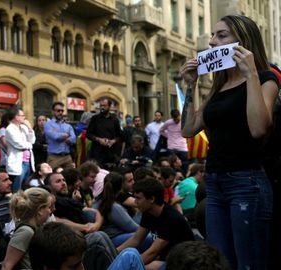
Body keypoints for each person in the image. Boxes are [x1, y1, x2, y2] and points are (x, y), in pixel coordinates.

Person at [180, 15, 278, 270]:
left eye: (221, 35)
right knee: (219, 263)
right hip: (214, 183)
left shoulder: (266, 79)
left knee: (249, 264)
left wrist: (251, 75)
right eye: (213, 35)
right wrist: (190, 86)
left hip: (246, 183)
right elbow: (189, 129)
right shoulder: (219, 84)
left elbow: (258, 128)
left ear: (243, 41)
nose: (212, 42)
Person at [116, 178, 194, 270]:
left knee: (148, 267)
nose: (135, 202)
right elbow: (136, 239)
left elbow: (152, 252)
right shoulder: (148, 212)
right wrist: (114, 254)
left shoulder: (172, 219)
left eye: (138, 198)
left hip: (184, 262)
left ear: (152, 199)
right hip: (165, 256)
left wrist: (124, 265)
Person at [2, 187, 54, 270]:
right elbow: (6, 265)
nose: (50, 211)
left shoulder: (36, 228)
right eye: (48, 207)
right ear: (40, 210)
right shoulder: (26, 231)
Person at [86, 98, 124, 168]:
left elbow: (120, 136)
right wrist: (98, 139)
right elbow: (88, 134)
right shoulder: (95, 118)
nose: (102, 107)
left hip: (111, 153)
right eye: (101, 105)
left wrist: (113, 141)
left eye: (104, 106)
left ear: (109, 107)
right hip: (97, 153)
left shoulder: (114, 120)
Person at [5, 108, 35, 192]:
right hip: (18, 163)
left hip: (28, 161)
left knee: (26, 188)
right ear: (16, 117)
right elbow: (19, 144)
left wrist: (29, 128)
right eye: (22, 115)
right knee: (17, 188)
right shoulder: (10, 129)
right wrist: (30, 145)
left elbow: (32, 140)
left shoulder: (23, 127)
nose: (24, 117)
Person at [44, 102, 76, 170]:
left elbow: (74, 139)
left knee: (70, 178)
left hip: (67, 157)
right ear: (53, 112)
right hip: (54, 157)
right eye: (58, 110)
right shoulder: (48, 125)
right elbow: (55, 137)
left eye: (62, 110)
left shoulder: (68, 125)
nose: (60, 112)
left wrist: (68, 139)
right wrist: (66, 135)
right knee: (52, 178)